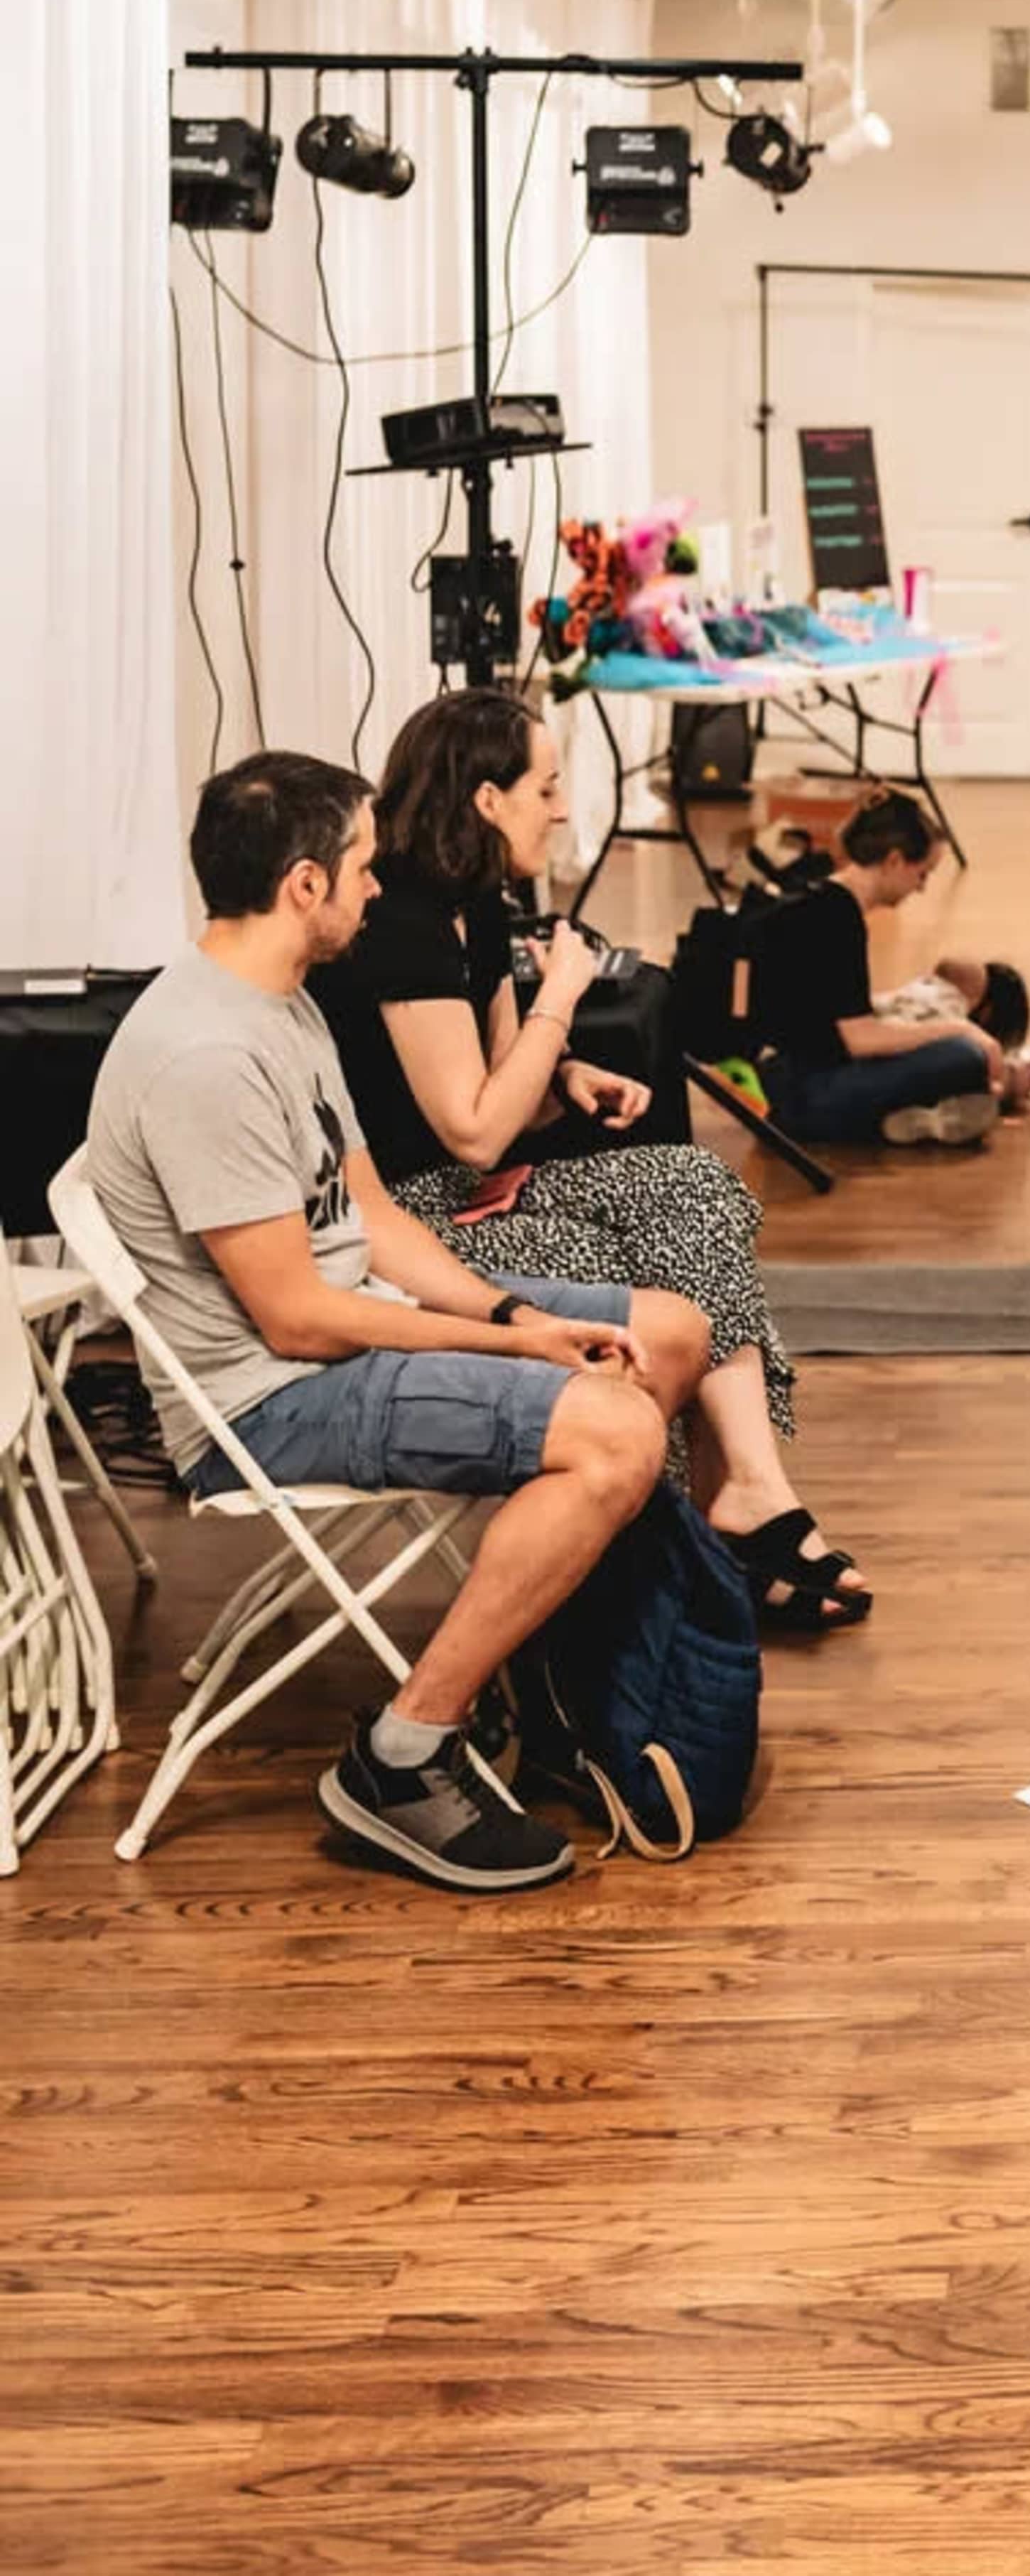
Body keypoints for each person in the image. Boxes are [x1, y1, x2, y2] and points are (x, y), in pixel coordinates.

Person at [85, 752, 710, 1892]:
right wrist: (519, 1345)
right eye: (367, 870)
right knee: (614, 1434)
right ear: (307, 885)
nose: (383, 891)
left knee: (667, 1334)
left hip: (345, 1330)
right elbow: (298, 1322)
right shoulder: (209, 1055)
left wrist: (514, 1307)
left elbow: (370, 1222)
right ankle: (406, 1749)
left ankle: (561, 1665)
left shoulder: (281, 1006)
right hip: (269, 1406)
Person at [312, 691, 874, 1635]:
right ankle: (684, 1550)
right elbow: (476, 1131)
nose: (564, 807)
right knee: (639, 1270)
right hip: (410, 1220)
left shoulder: (473, 905)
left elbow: (504, 1094)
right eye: (548, 785)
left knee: (695, 1186)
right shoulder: (403, 920)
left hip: (469, 1185)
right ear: (487, 799)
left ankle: (747, 1488)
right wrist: (560, 1003)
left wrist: (562, 1072)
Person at [747, 791, 1013, 1146]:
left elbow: (827, 1009)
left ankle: (912, 1118)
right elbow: (861, 1039)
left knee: (948, 1050)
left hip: (785, 1078)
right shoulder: (837, 917)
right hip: (806, 1097)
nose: (921, 889)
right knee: (966, 1057)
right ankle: (910, 1114)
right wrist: (957, 1028)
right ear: (894, 861)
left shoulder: (818, 893)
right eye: (923, 874)